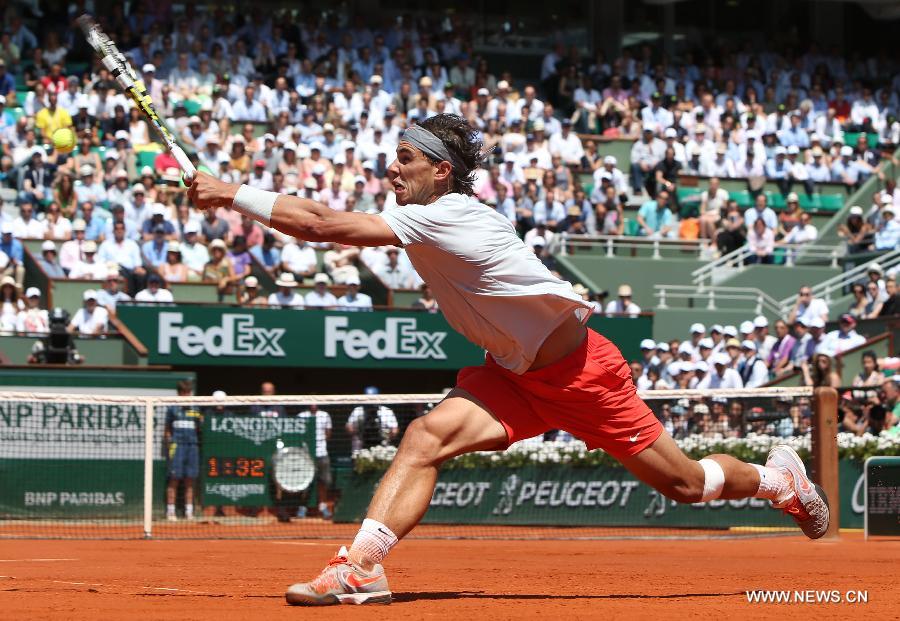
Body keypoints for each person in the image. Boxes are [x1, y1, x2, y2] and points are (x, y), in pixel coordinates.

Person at [187, 113, 829, 606]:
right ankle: (361, 568)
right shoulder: (423, 215)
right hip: (513, 376)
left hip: (582, 377)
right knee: (425, 438)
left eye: (404, 160)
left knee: (687, 486)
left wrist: (228, 192)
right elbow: (324, 220)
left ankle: (777, 482)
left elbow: (321, 224)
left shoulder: (448, 215)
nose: (392, 170)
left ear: (440, 171)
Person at [164, 379, 202, 521]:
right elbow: (167, 430)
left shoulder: (196, 409)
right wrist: (170, 445)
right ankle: (171, 512)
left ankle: (189, 512)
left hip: (192, 446)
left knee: (190, 481)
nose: (186, 395)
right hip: (177, 446)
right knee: (174, 480)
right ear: (179, 394)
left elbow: (199, 428)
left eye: (188, 393)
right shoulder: (172, 409)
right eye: (184, 393)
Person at [296, 404, 334, 519]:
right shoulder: (301, 416)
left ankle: (322, 506)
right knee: (304, 482)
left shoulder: (324, 415)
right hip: (306, 455)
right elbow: (298, 434)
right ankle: (302, 507)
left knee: (324, 481)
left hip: (322, 454)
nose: (313, 404)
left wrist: (319, 442)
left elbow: (328, 433)